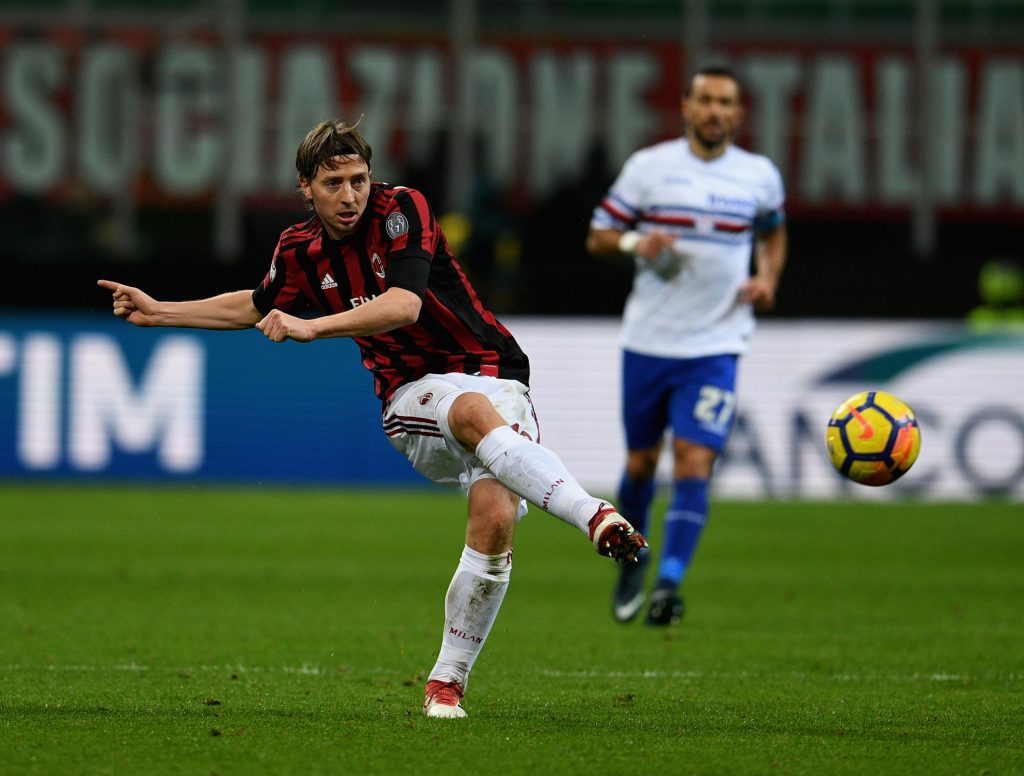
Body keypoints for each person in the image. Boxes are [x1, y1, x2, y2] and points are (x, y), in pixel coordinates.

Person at [98, 119, 647, 719]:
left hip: (497, 372)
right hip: (410, 394)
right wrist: (160, 311)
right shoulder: (298, 250)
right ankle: (593, 514)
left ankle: (446, 684)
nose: (350, 194)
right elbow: (255, 305)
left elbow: (404, 304)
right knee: (466, 411)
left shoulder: (402, 209)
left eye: (358, 179)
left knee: (493, 523)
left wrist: (314, 325)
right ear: (306, 187)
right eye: (334, 182)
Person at [585, 65, 787, 627]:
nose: (716, 111)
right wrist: (635, 241)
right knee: (641, 462)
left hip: (717, 344)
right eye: (706, 100)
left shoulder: (758, 175)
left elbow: (773, 232)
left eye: (726, 102)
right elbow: (597, 236)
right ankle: (632, 558)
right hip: (649, 341)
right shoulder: (651, 168)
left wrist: (767, 278)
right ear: (686, 107)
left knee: (695, 460)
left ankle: (669, 584)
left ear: (738, 114)